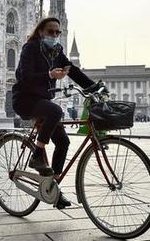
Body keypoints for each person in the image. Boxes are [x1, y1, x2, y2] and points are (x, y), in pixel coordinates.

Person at [12, 17, 96, 209]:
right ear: (41, 31)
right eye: (51, 31)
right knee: (55, 110)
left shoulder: (56, 52)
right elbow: (24, 77)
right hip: (24, 100)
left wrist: (94, 87)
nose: (55, 35)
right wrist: (49, 75)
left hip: (42, 100)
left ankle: (53, 188)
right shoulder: (30, 48)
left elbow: (72, 70)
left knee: (64, 141)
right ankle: (37, 155)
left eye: (58, 32)